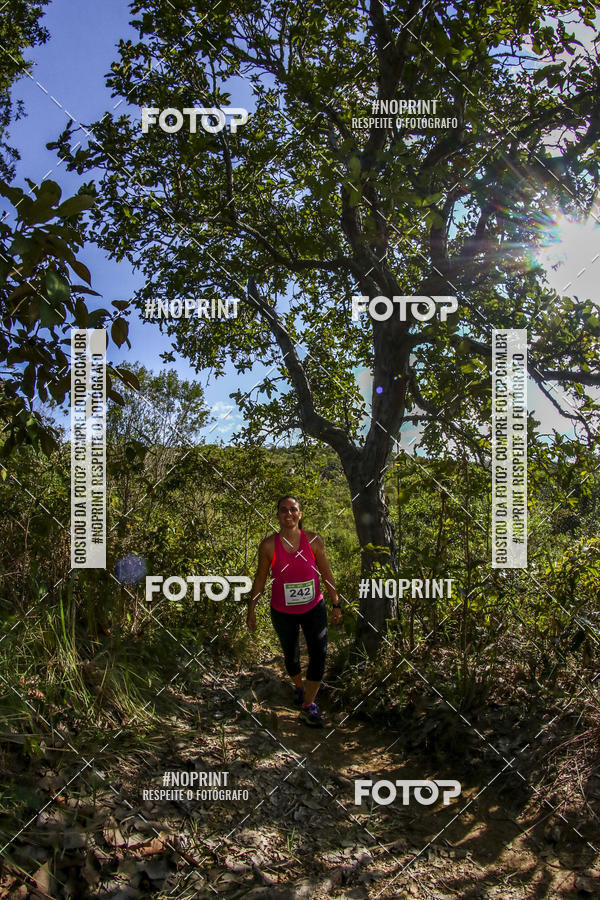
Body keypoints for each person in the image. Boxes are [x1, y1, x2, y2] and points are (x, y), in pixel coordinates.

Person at [247, 495, 342, 727]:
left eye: (293, 510)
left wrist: (336, 603)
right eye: (283, 510)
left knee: (319, 654)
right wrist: (252, 609)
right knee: (291, 657)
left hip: (314, 608)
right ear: (278, 515)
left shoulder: (314, 541)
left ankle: (308, 706)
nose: (288, 514)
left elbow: (326, 574)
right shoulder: (269, 545)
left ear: (300, 514)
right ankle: (299, 687)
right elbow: (260, 578)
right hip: (282, 611)